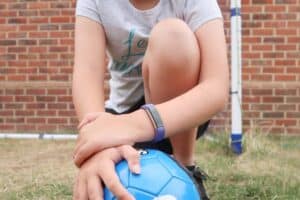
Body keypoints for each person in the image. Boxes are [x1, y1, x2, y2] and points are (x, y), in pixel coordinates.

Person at [72, 0, 229, 200]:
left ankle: (186, 168)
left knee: (173, 36)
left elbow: (216, 89)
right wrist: (96, 143)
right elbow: (87, 73)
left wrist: (132, 125)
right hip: (121, 115)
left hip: (179, 117)